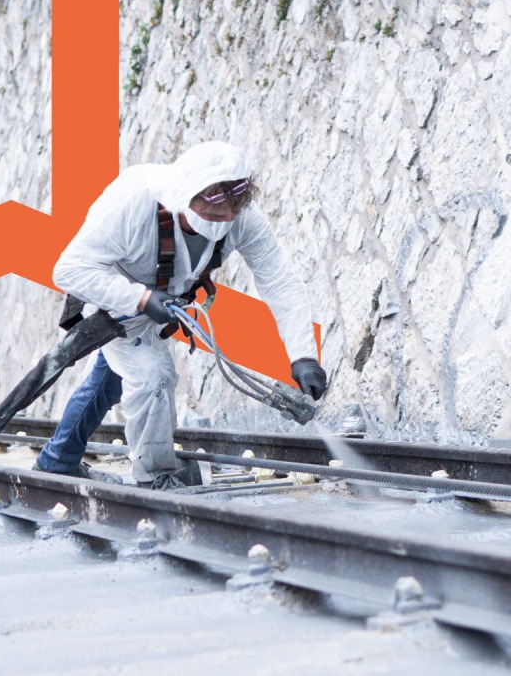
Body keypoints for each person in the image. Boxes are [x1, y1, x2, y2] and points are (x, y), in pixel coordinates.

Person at [33, 141, 327, 491]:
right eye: (212, 217)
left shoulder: (243, 219)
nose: (220, 227)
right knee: (154, 376)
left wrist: (303, 355)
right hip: (112, 298)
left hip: (163, 301)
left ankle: (57, 461)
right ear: (185, 196)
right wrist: (139, 298)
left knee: (110, 380)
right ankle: (155, 477)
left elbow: (279, 281)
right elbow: (69, 270)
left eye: (228, 218)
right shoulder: (134, 203)